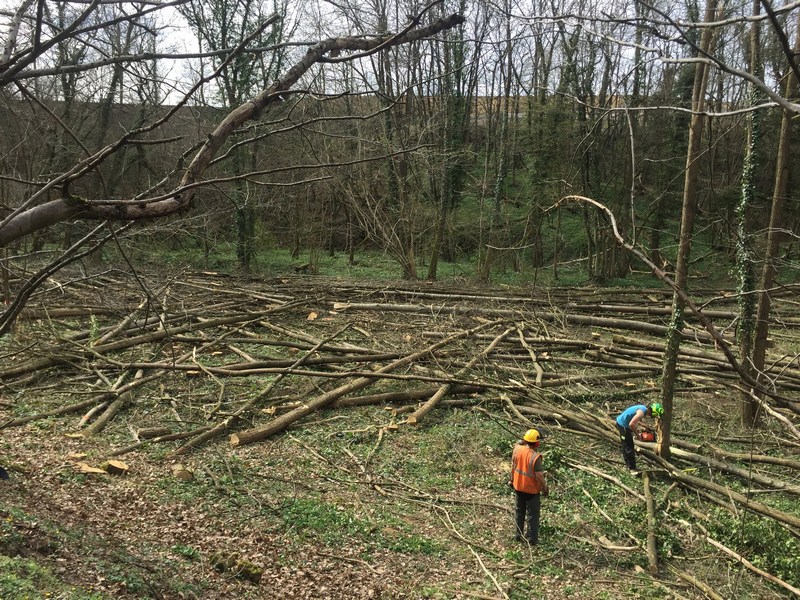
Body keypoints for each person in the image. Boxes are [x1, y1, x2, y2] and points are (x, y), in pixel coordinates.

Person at [509, 428, 549, 545]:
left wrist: (511, 480)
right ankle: (532, 539)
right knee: (533, 515)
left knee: (519, 511)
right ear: (537, 443)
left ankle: (518, 535)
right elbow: (540, 477)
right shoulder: (535, 457)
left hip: (518, 486)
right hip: (531, 491)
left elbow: (513, 466)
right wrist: (545, 489)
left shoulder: (517, 449)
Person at [615, 402, 664, 472]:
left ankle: (628, 465)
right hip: (623, 425)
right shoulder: (641, 413)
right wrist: (638, 436)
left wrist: (644, 426)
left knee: (626, 445)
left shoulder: (643, 408)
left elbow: (633, 417)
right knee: (628, 446)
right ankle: (632, 468)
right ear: (653, 413)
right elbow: (631, 424)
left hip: (624, 423)